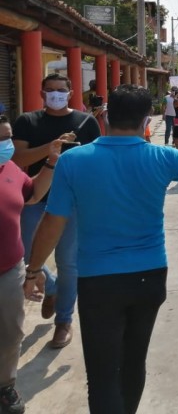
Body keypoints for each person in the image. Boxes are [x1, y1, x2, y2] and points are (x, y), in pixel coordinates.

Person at [24, 84, 178, 413]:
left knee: (102, 371)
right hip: (149, 276)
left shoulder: (73, 160)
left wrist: (34, 271)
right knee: (133, 362)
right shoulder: (162, 156)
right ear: (147, 119)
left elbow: (52, 222)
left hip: (97, 280)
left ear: (104, 116)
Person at [11, 72, 101, 349]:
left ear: (71, 92)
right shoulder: (28, 121)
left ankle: (64, 321)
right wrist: (50, 149)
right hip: (35, 199)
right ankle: (51, 287)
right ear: (41, 93)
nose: (56, 94)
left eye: (61, 90)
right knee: (26, 255)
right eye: (50, 90)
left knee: (68, 262)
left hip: (73, 201)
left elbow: (97, 159)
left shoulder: (86, 122)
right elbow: (18, 157)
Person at [0, 114, 61, 414]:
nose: (5, 144)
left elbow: (34, 193)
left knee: (11, 334)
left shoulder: (9, 168)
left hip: (9, 269)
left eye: (7, 137)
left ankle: (5, 386)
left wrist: (50, 162)